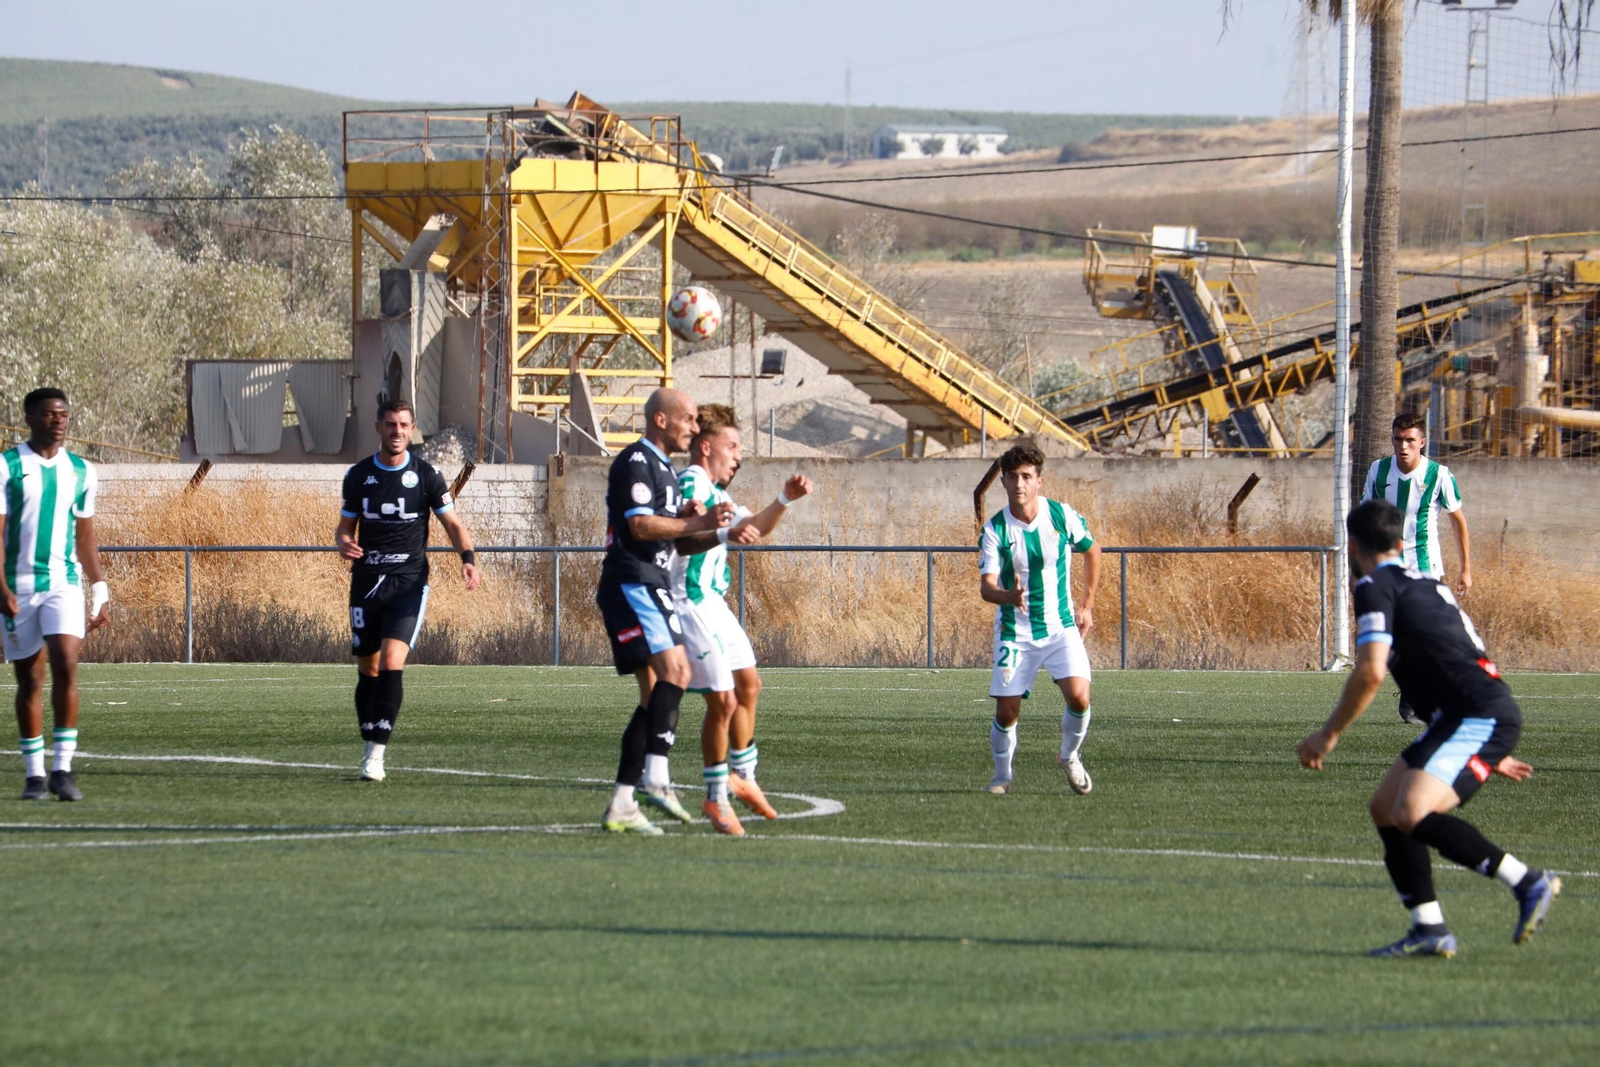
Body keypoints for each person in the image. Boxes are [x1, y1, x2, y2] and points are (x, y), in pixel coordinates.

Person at [1297, 500, 1558, 958]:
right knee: (1385, 807)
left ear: (1353, 546)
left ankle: (1528, 882)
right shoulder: (1424, 583)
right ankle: (1428, 927)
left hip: (1476, 716)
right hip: (1465, 717)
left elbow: (1370, 672)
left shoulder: (1374, 587)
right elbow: (1445, 654)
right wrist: (1484, 749)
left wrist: (1328, 734)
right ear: (1401, 544)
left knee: (1412, 812)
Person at [669, 404, 812, 835]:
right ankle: (715, 799)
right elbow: (686, 527)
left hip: (714, 602)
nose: (738, 455)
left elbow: (755, 528)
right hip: (689, 601)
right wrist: (702, 519)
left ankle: (743, 778)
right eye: (732, 446)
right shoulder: (693, 480)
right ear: (706, 446)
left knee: (749, 684)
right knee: (724, 700)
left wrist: (784, 498)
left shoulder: (720, 494)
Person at [596, 388, 732, 835]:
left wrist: (714, 529)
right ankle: (656, 777)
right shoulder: (637, 461)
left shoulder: (667, 474)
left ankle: (622, 803)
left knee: (655, 690)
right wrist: (696, 520)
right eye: (689, 419)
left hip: (650, 583)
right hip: (633, 580)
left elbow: (678, 538)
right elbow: (640, 525)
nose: (694, 429)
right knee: (677, 671)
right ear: (661, 420)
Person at [335, 398, 480, 782]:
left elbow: (453, 523)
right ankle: (370, 736)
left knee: (390, 662)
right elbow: (345, 528)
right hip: (366, 581)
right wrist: (343, 542)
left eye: (403, 425)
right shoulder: (358, 476)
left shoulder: (427, 476)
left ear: (411, 429)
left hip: (409, 581)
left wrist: (467, 557)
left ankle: (376, 754)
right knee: (367, 667)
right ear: (379, 428)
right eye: (390, 424)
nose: (397, 431)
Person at [1, 388, 110, 802]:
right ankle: (33, 775)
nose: (59, 421)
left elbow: (85, 536)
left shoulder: (81, 471)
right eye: (49, 414)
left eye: (63, 414)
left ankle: (62, 769)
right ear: (30, 417)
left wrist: (99, 586)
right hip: (19, 586)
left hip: (63, 583)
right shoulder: (7, 466)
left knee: (66, 662)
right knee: (30, 680)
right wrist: (1, 587)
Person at [977, 443, 1101, 796]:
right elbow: (987, 588)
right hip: (1015, 633)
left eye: (1027, 477)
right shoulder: (995, 530)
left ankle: (1069, 756)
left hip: (1060, 627)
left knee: (1079, 698)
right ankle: (1002, 776)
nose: (1020, 483)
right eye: (1013, 477)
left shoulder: (1061, 516)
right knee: (1007, 713)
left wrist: (1087, 606)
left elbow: (1093, 551)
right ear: (1002, 481)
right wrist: (1008, 596)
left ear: (1039, 481)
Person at [1361, 412, 1472, 724]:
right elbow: (1366, 516)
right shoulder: (1378, 470)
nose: (1404, 446)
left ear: (1422, 443)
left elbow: (1458, 521)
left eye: (1410, 440)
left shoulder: (1439, 474)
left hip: (1425, 565)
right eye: (1398, 439)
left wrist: (1465, 569)